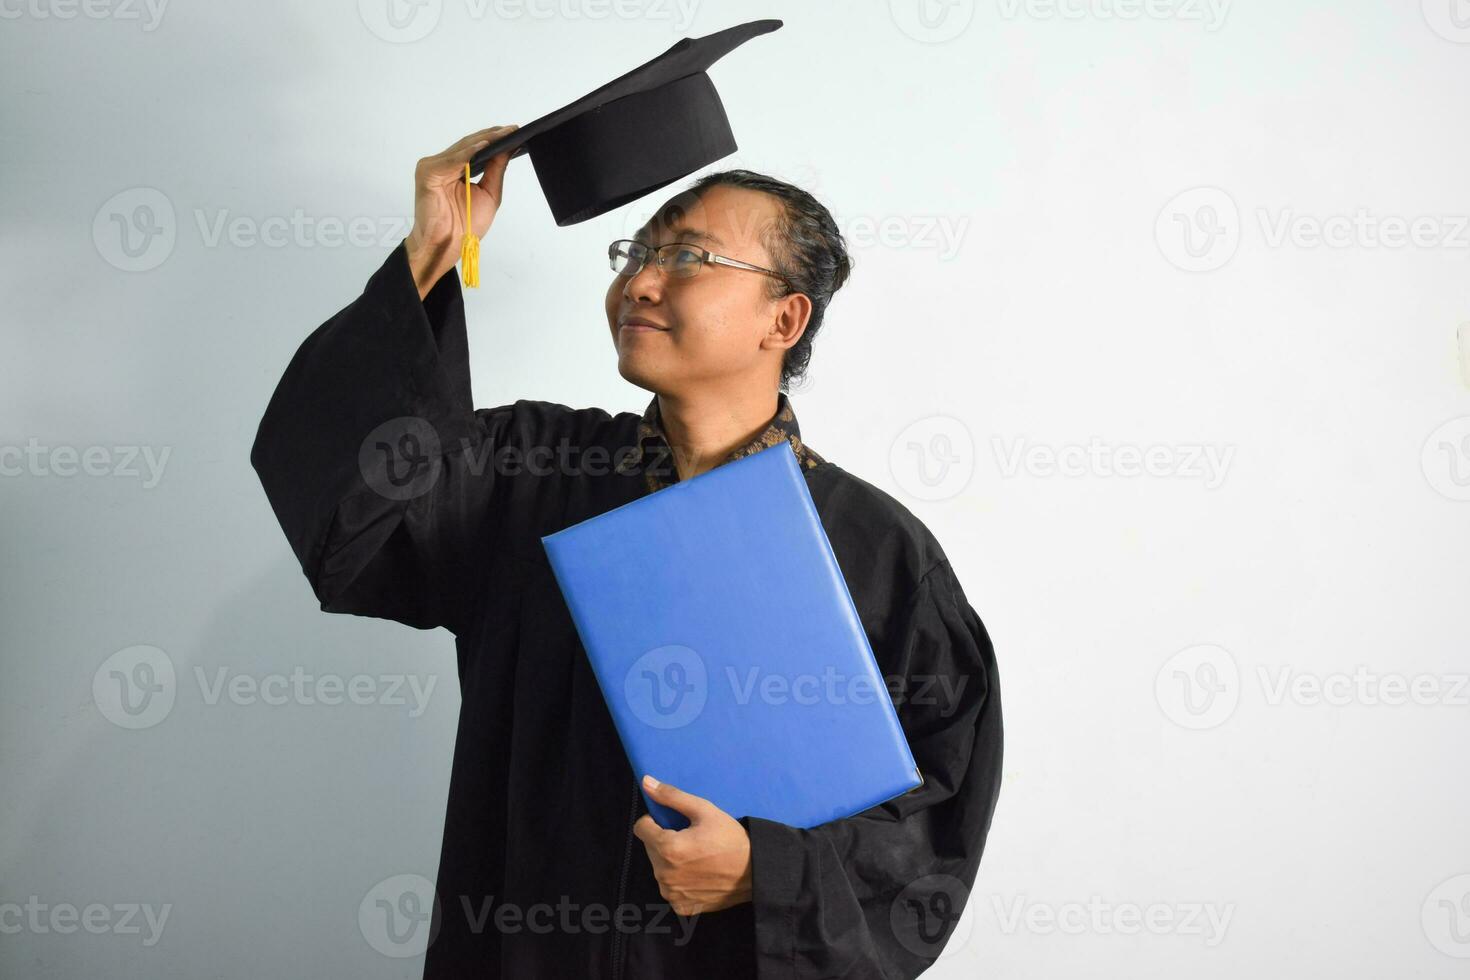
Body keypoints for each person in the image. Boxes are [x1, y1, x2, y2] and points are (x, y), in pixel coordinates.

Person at [250, 126, 1004, 979]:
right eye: (634, 254)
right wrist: (429, 250)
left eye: (689, 258)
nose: (639, 283)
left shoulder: (877, 551)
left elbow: (933, 828)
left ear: (784, 317)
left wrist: (767, 871)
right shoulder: (527, 474)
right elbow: (350, 519)